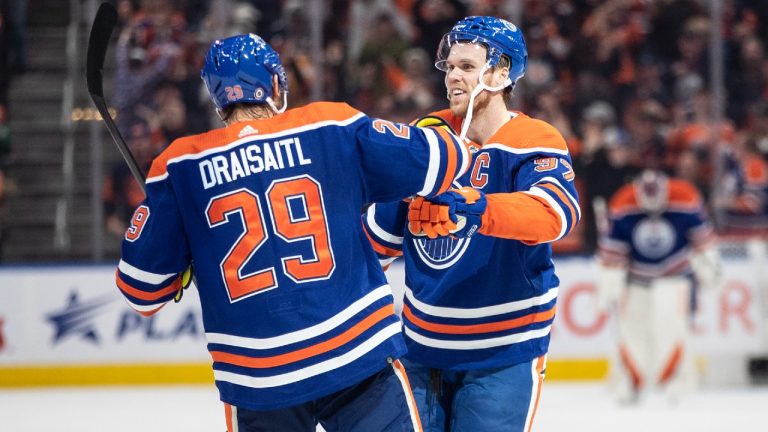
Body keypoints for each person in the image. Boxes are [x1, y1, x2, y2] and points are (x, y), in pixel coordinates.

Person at [114, 33, 472, 432]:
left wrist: (180, 267)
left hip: (258, 377)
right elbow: (446, 160)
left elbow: (141, 292)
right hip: (355, 353)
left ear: (217, 97)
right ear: (273, 84)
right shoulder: (330, 124)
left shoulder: (177, 166)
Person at [363, 16, 580, 431]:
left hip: (502, 353)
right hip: (420, 350)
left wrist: (475, 206)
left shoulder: (534, 139)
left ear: (501, 74)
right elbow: (375, 239)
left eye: (467, 67)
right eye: (450, 66)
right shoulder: (426, 140)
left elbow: (555, 215)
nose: (452, 77)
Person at [595, 169, 721, 404]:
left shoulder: (685, 197)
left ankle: (679, 380)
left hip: (675, 276)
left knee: (673, 330)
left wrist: (709, 267)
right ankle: (631, 381)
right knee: (630, 331)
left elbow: (703, 242)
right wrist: (609, 284)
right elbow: (612, 255)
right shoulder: (622, 203)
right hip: (636, 279)